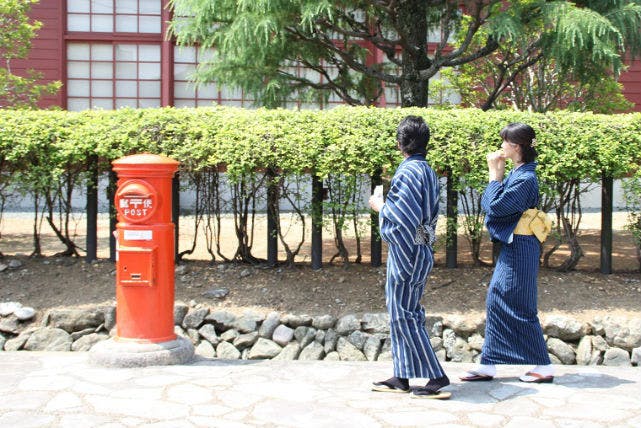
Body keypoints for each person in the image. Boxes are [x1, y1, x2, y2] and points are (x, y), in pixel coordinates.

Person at [461, 122, 554, 384]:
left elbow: (495, 207)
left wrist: (494, 175)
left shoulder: (526, 178)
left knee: (520, 305)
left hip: (522, 247)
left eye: (505, 142)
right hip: (516, 245)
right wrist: (499, 176)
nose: (501, 146)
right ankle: (489, 364)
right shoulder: (520, 173)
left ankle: (543, 365)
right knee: (497, 299)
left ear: (515, 147)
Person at [369, 115, 450, 399]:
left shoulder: (407, 172)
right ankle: (401, 375)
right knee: (405, 310)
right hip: (420, 246)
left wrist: (380, 206)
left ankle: (436, 376)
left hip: (407, 251)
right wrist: (422, 248)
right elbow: (425, 220)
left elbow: (402, 217)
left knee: (402, 312)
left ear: (400, 143)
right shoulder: (427, 170)